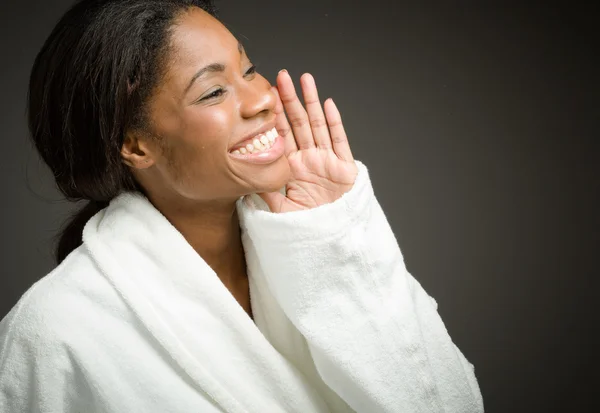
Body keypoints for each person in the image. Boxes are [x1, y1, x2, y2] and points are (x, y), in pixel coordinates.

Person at [0, 0, 484, 412]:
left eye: (248, 69)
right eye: (214, 91)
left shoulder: (319, 238)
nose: (261, 99)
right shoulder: (55, 330)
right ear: (135, 145)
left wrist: (337, 243)